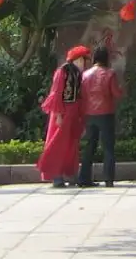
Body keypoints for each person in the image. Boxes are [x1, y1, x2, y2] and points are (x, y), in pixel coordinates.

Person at [37, 46, 91, 188]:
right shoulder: (63, 71)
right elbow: (56, 93)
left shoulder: (78, 73)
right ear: (77, 59)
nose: (83, 63)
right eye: (82, 60)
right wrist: (59, 115)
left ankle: (69, 173)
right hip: (63, 111)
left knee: (71, 144)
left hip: (73, 112)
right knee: (58, 144)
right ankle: (56, 176)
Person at [77, 45, 125, 188]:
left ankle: (84, 178)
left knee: (89, 146)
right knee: (108, 147)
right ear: (106, 58)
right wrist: (122, 89)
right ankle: (108, 179)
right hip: (106, 113)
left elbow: (82, 95)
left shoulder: (85, 75)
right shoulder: (110, 74)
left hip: (89, 114)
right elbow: (116, 93)